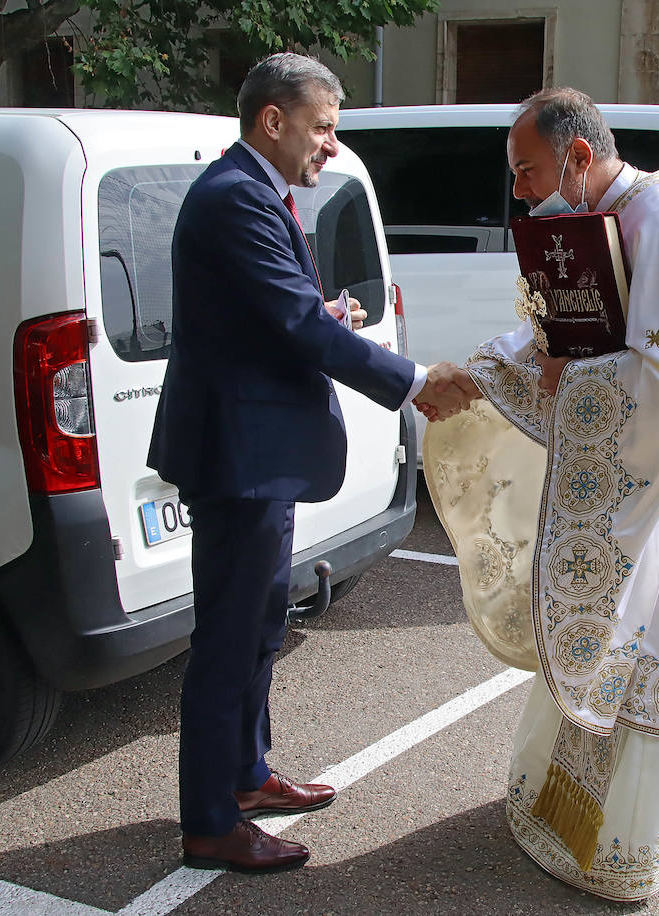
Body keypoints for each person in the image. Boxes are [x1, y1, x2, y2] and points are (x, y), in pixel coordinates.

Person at [420, 88, 659, 901]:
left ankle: (623, 850)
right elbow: (561, 330)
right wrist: (477, 373)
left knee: (650, 645)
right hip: (649, 482)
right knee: (600, 634)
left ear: (577, 156)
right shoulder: (607, 219)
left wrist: (564, 377)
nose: (522, 190)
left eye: (529, 169)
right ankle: (561, 813)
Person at [148, 52, 473, 874]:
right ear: (274, 120)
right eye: (323, 127)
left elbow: (276, 315)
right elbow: (294, 327)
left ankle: (247, 776)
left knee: (261, 624)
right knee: (228, 639)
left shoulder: (257, 193)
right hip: (239, 458)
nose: (330, 145)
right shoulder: (234, 199)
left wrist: (321, 311)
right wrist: (412, 381)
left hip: (265, 454)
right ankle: (211, 823)